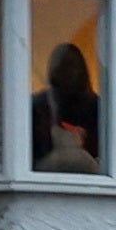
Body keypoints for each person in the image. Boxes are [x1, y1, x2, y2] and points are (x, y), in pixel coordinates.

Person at [31, 41, 102, 173]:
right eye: (63, 66)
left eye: (73, 66)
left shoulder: (99, 109)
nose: (69, 73)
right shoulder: (37, 107)